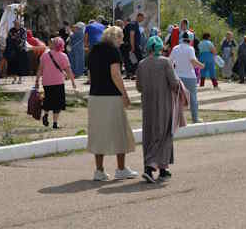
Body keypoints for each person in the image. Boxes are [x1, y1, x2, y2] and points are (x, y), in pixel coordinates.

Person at [87, 25, 138, 181]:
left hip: (95, 96)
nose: (122, 41)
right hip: (111, 96)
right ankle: (121, 168)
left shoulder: (93, 50)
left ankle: (99, 170)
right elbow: (115, 74)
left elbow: (90, 74)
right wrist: (125, 95)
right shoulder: (113, 51)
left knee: (98, 132)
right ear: (115, 37)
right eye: (121, 38)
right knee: (119, 131)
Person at [136, 35, 181, 183]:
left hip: (148, 104)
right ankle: (151, 167)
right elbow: (174, 83)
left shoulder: (142, 64)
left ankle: (163, 169)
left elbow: (139, 87)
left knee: (149, 134)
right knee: (163, 132)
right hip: (164, 103)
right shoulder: (166, 62)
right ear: (160, 48)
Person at [36, 37, 77, 129]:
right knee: (58, 103)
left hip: (46, 82)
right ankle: (55, 123)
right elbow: (68, 70)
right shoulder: (63, 56)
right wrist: (73, 82)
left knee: (48, 99)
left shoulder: (44, 56)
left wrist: (37, 81)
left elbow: (40, 69)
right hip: (58, 82)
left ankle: (46, 114)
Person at [170, 31, 203, 122]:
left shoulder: (175, 48)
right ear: (191, 40)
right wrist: (201, 65)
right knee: (193, 98)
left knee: (177, 99)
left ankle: (176, 119)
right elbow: (193, 61)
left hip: (177, 76)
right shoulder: (190, 49)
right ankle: (195, 119)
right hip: (190, 77)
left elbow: (170, 61)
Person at [4, 19, 30, 84]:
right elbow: (9, 39)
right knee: (13, 65)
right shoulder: (11, 30)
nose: (16, 25)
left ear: (20, 24)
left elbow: (23, 40)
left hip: (21, 50)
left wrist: (15, 39)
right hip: (13, 51)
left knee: (21, 65)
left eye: (17, 23)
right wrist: (15, 39)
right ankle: (14, 78)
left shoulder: (23, 30)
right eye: (15, 23)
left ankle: (20, 79)